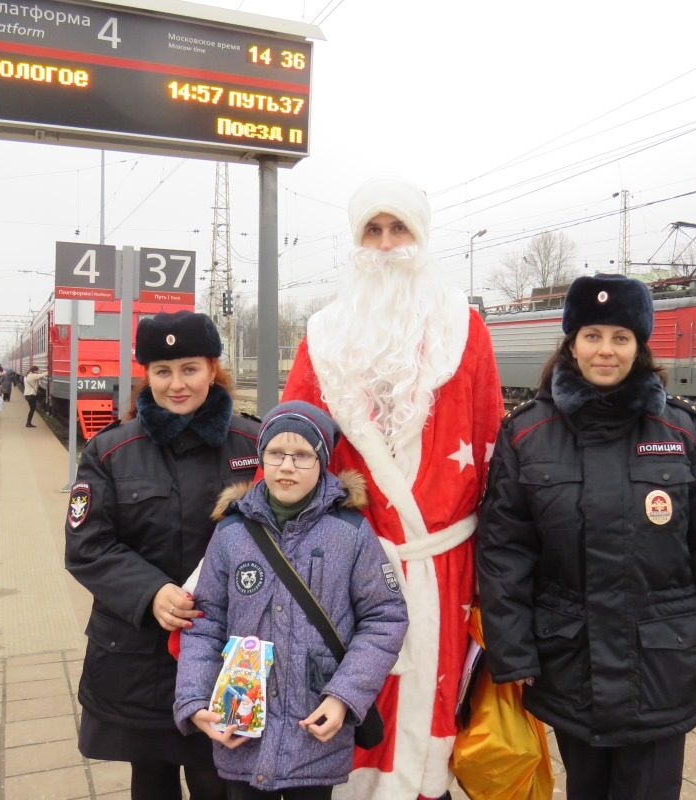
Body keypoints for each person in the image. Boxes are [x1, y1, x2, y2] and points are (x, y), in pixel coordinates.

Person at [475, 274, 696, 800]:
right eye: (593, 336)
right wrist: (514, 653)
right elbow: (505, 551)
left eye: (621, 338)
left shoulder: (685, 431)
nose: (606, 350)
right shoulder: (526, 434)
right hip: (568, 657)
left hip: (663, 660)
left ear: (640, 346)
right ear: (572, 343)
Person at [280, 177, 503, 799]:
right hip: (353, 565)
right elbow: (290, 449)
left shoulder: (467, 330)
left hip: (446, 563)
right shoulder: (323, 336)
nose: (385, 245)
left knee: (435, 698)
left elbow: (490, 446)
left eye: (398, 229)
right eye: (371, 231)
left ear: (420, 237)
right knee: (359, 702)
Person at [65, 311, 261, 800]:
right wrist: (150, 592)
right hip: (139, 657)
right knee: (151, 781)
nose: (177, 384)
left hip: (226, 652)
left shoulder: (255, 444)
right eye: (162, 371)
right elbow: (87, 544)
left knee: (221, 779)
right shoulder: (110, 451)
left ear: (213, 368)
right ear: (145, 375)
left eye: (189, 369)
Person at [175, 400, 409, 800]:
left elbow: (384, 618)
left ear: (322, 461)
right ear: (261, 456)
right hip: (242, 728)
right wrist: (196, 700)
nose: (286, 466)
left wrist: (344, 697)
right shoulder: (232, 533)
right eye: (276, 453)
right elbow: (206, 619)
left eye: (302, 455)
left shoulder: (350, 534)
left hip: (315, 728)